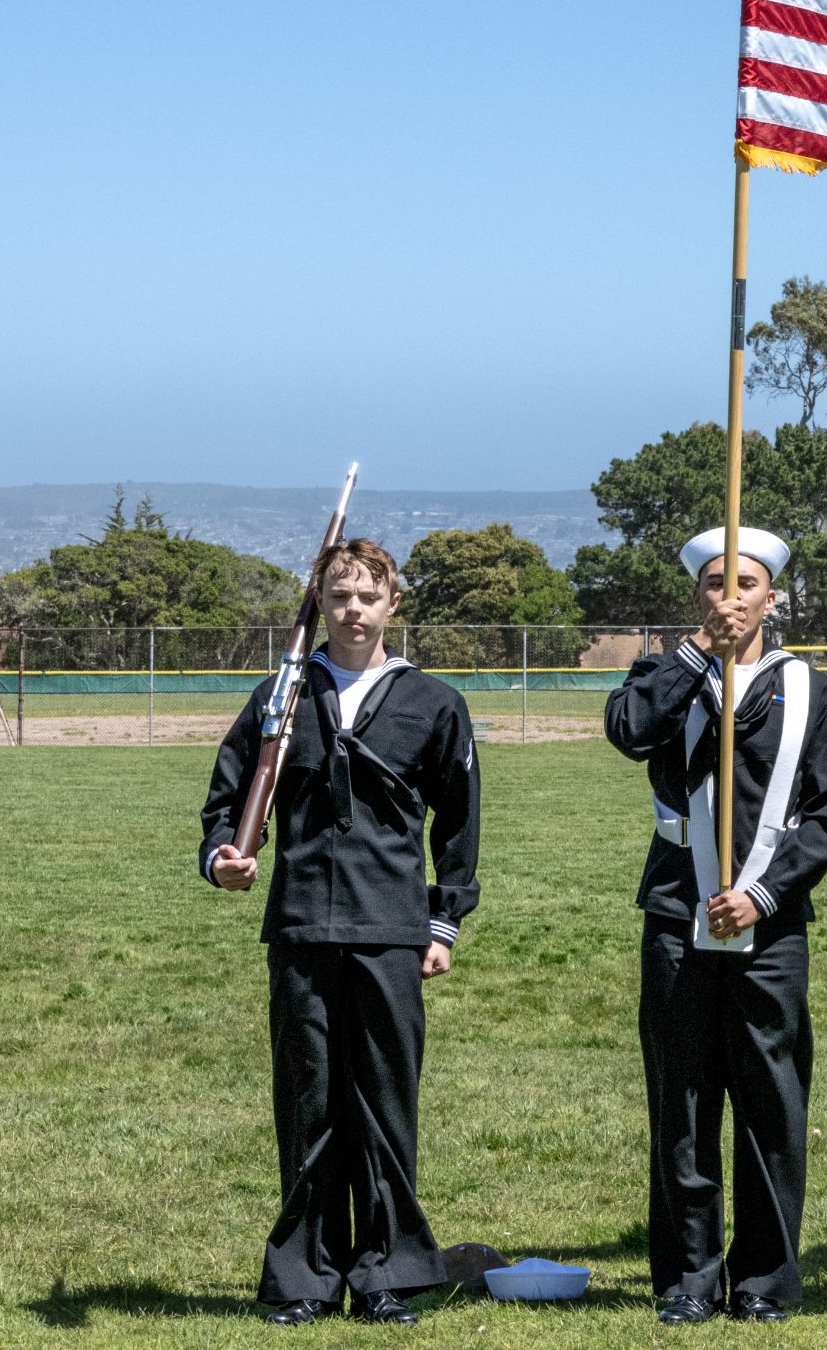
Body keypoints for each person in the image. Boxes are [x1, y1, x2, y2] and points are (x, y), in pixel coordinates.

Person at [198, 537, 480, 1327]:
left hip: (392, 930)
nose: (352, 609)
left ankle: (386, 1273)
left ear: (394, 603)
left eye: (367, 596)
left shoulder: (433, 702)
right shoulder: (280, 696)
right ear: (318, 604)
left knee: (385, 1106)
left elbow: (459, 825)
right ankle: (306, 1278)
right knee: (310, 1104)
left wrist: (444, 922)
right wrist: (222, 858)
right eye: (338, 595)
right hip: (299, 928)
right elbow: (224, 800)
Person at [603, 527, 827, 1326]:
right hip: (678, 911)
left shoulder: (811, 689)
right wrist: (689, 658)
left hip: (769, 925)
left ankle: (764, 1280)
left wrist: (768, 893)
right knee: (680, 1102)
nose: (730, 597)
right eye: (715, 584)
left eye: (746, 584)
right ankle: (686, 1278)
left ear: (772, 598)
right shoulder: (665, 673)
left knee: (770, 1100)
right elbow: (627, 730)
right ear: (697, 596)